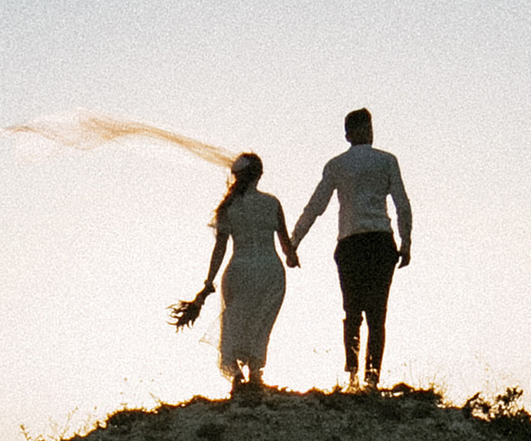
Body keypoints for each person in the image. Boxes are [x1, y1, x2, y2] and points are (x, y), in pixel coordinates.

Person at [293, 108, 412, 385]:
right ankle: (370, 378)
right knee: (377, 314)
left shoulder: (337, 165)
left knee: (352, 311)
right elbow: (402, 205)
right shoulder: (386, 161)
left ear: (348, 134)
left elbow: (315, 207)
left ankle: (353, 374)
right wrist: (405, 242)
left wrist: (295, 240)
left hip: (351, 242)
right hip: (380, 241)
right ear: (361, 131)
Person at [171, 151, 298, 396]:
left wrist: (208, 281)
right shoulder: (272, 203)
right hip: (269, 269)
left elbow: (220, 247)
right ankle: (256, 373)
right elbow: (286, 245)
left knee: (235, 321)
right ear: (259, 174)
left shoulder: (228, 207)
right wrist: (292, 257)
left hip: (239, 269)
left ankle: (238, 375)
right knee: (261, 322)